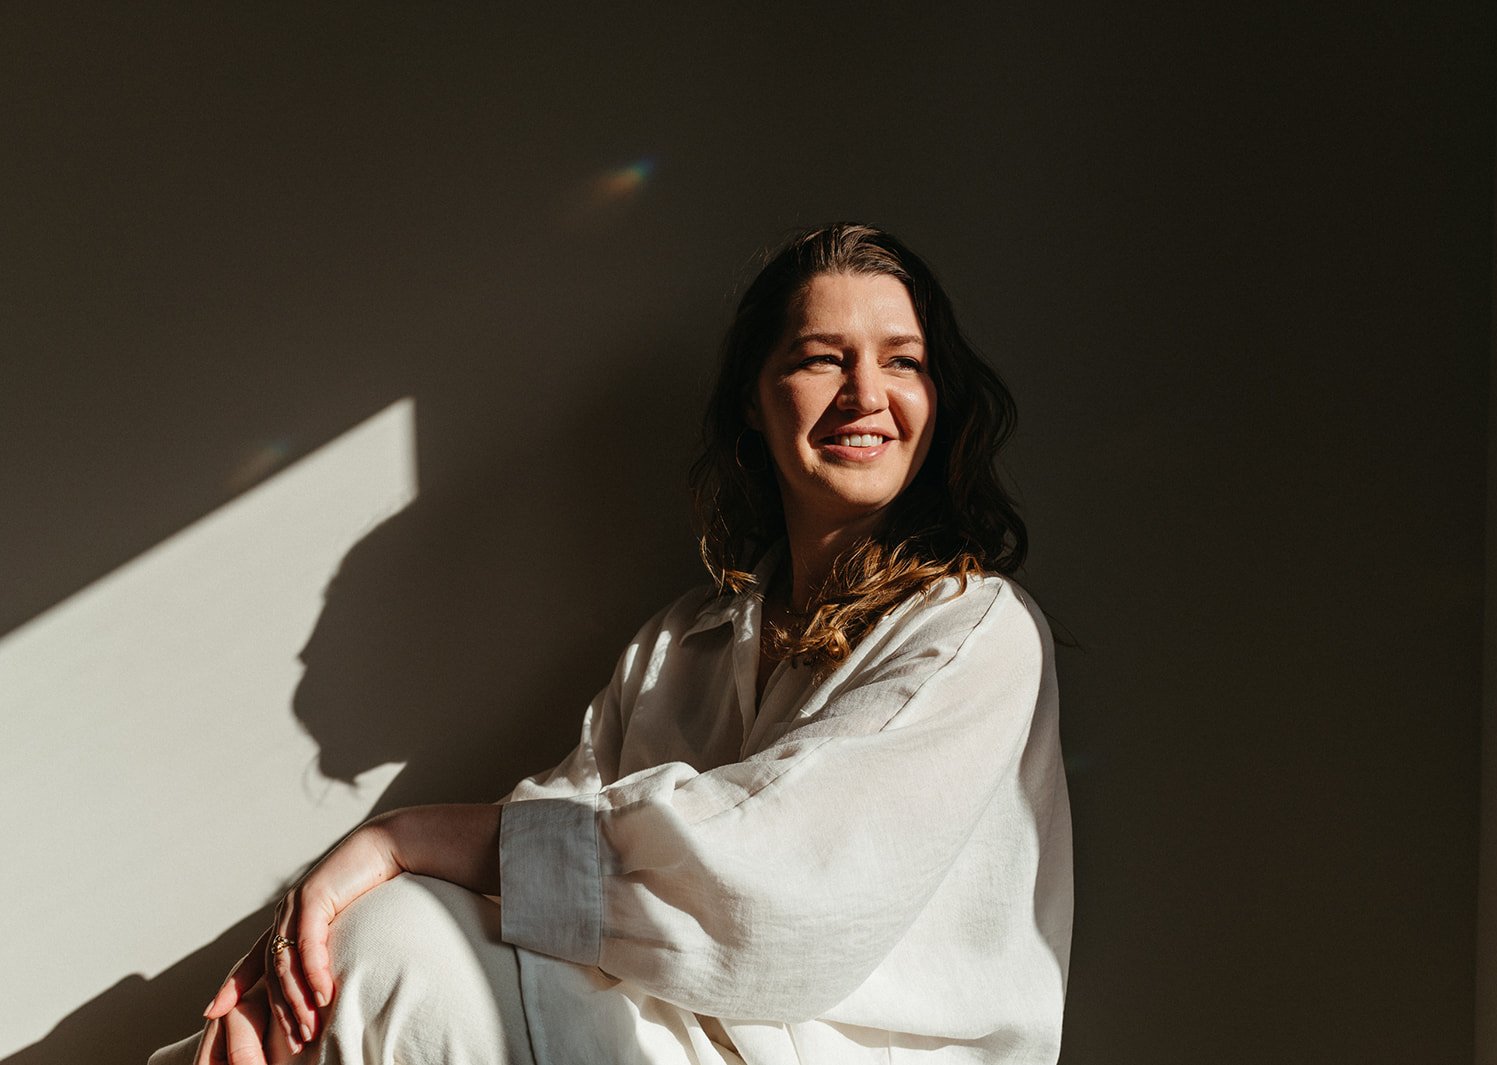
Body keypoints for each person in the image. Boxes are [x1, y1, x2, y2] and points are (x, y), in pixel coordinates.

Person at [151, 222, 1073, 1065]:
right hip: (664, 1024)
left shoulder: (975, 632)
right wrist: (304, 944)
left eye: (901, 362)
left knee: (394, 959)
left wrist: (401, 836)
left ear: (936, 395)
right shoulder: (686, 642)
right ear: (754, 399)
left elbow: (762, 895)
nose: (865, 394)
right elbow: (549, 849)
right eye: (822, 359)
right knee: (340, 974)